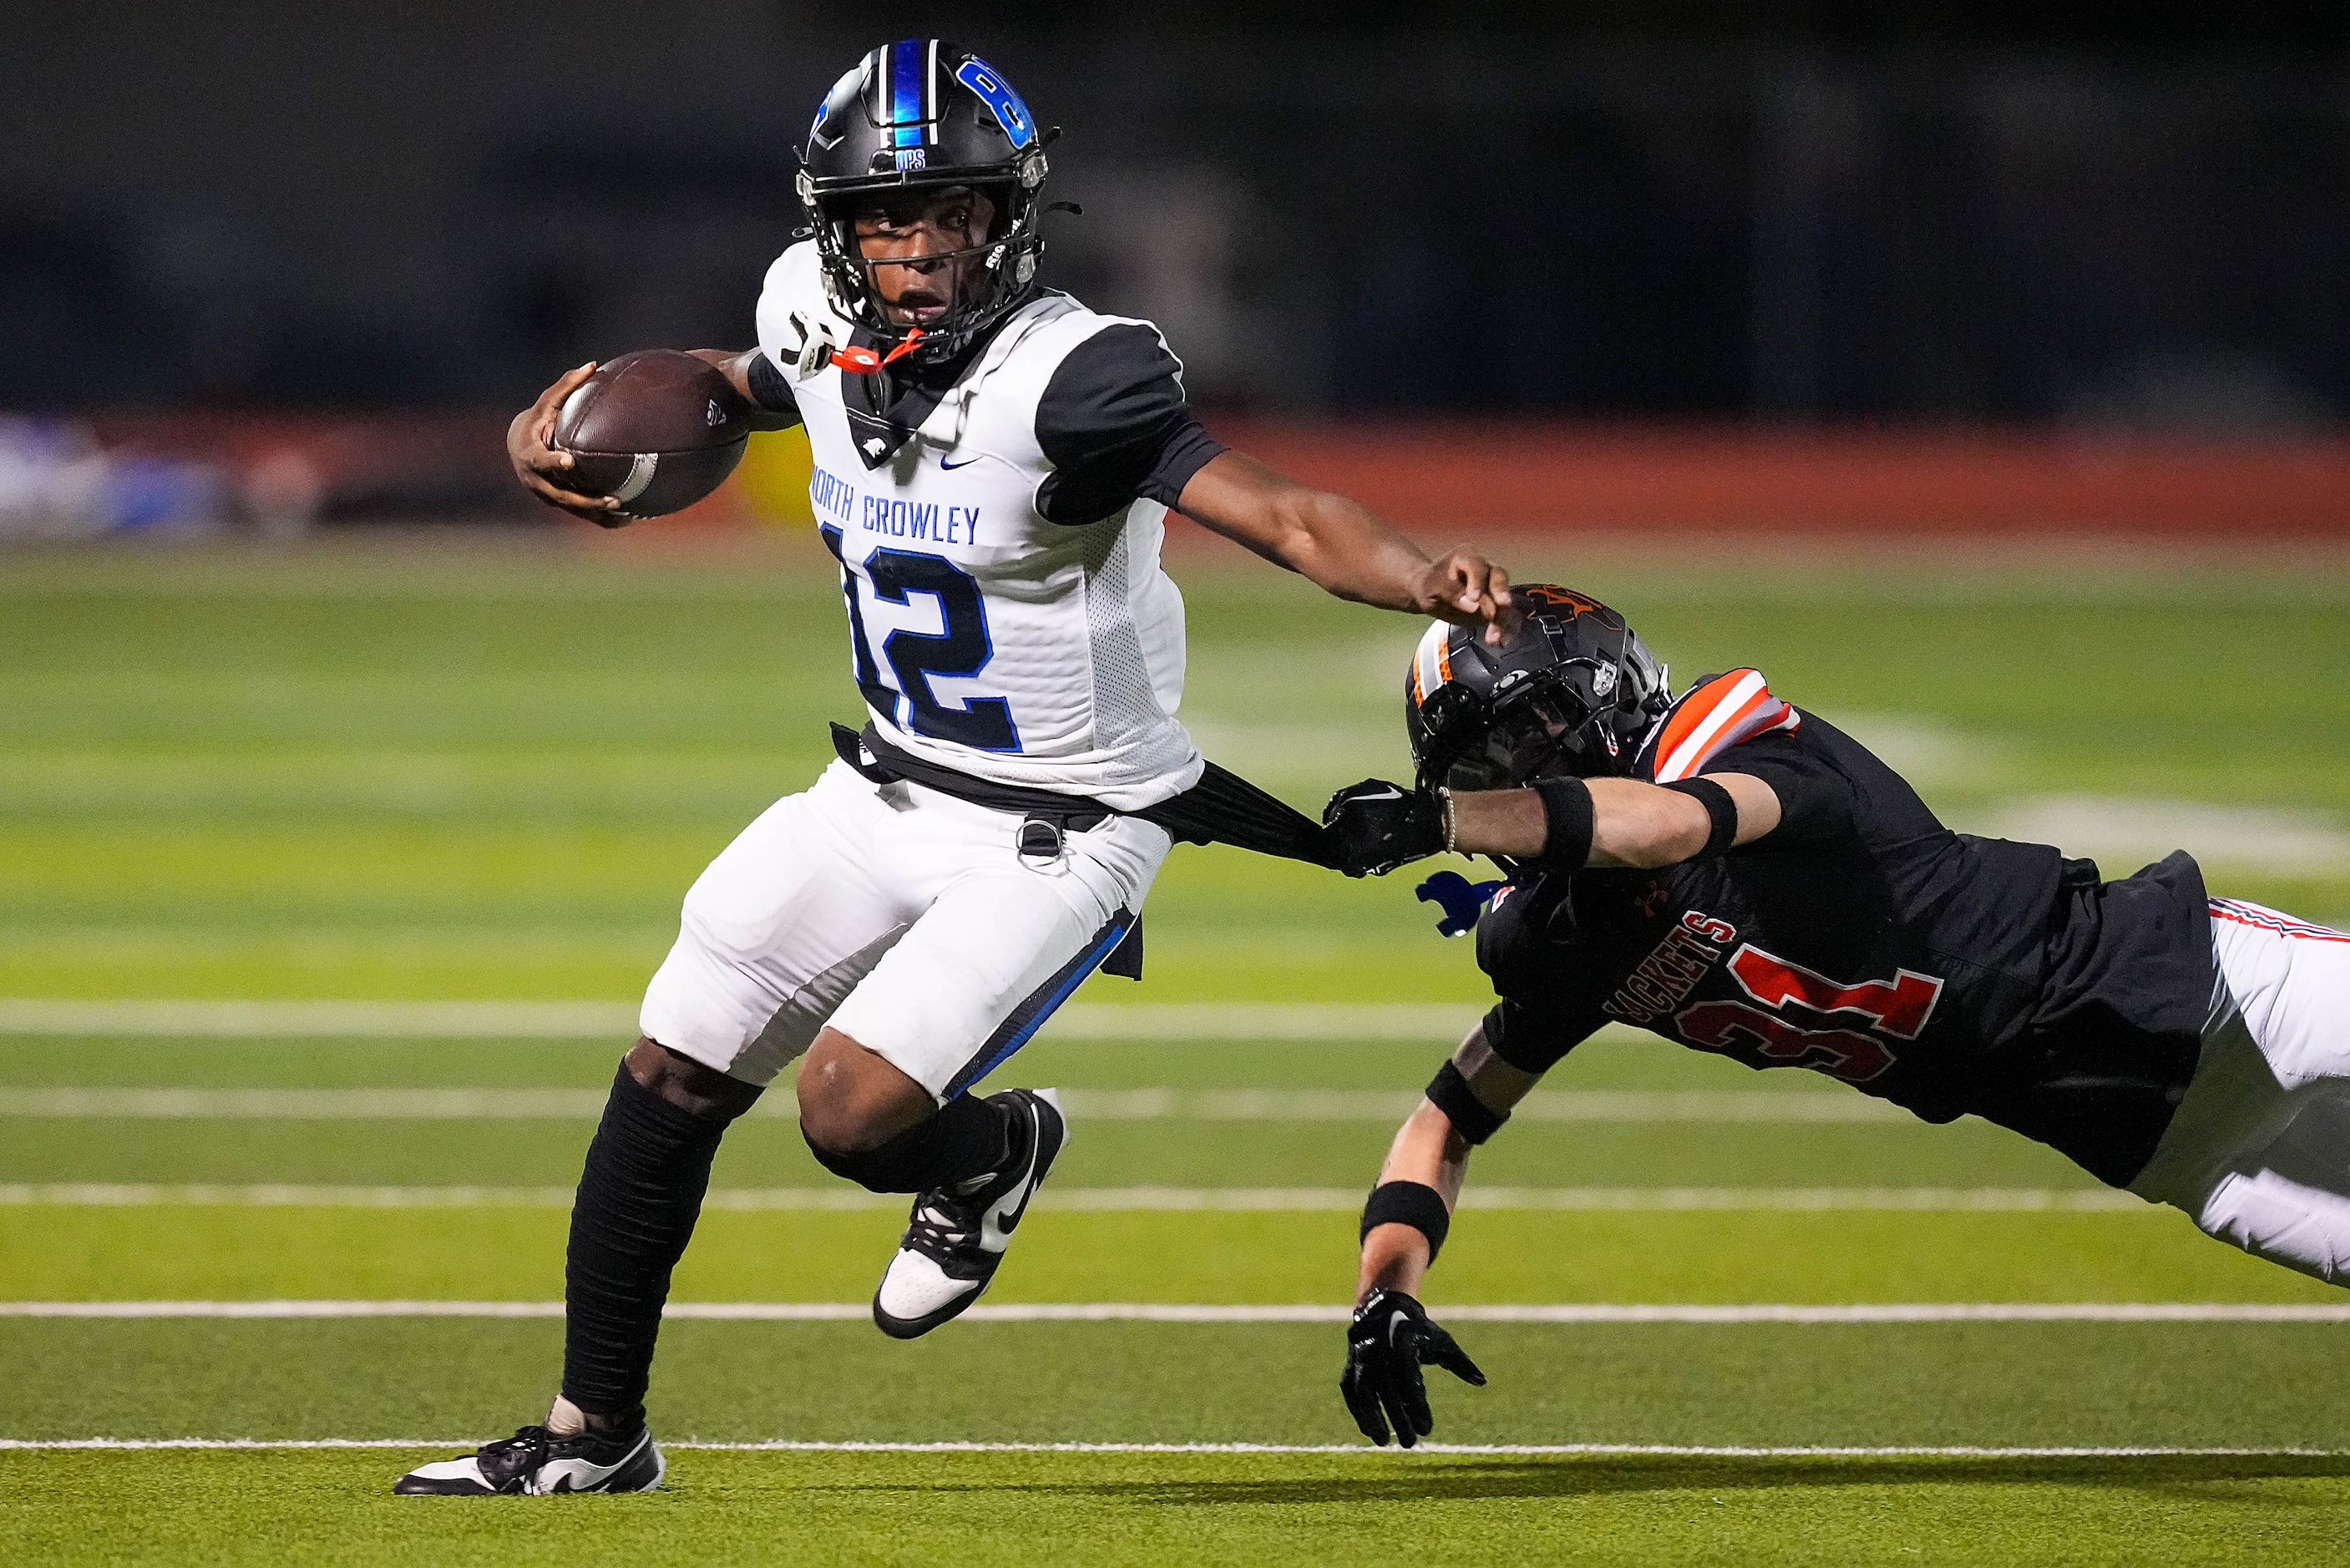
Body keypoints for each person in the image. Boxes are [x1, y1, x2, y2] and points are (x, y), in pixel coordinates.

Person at [395, 40, 1514, 1496]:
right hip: (886, 782)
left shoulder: (1077, 375)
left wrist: (1422, 573)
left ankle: (985, 1154)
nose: (919, 252)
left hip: (1065, 824)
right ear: (835, 232)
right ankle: (591, 1433)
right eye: (885, 221)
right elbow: (747, 385)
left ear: (1008, 219)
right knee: (669, 1060)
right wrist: (574, 426)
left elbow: (1287, 513)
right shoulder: (805, 306)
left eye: (953, 217)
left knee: (848, 1110)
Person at [1318, 584, 2350, 1449]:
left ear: (1599, 692)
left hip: (2194, 981)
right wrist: (1383, 1289)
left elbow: (1674, 825)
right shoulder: (1567, 934)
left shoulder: (1724, 735)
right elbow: (1447, 1119)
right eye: (1475, 768)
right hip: (2147, 1140)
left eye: (1521, 741)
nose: (1506, 780)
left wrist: (1441, 820)